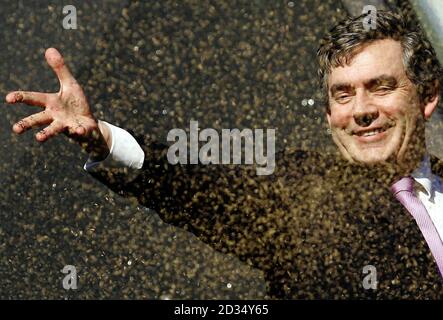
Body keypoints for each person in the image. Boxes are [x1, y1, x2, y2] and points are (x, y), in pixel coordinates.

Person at [5, 11, 443, 298]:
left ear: (427, 96)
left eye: (381, 87)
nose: (362, 110)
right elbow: (196, 186)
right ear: (329, 115)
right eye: (343, 95)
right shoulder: (297, 196)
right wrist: (104, 140)